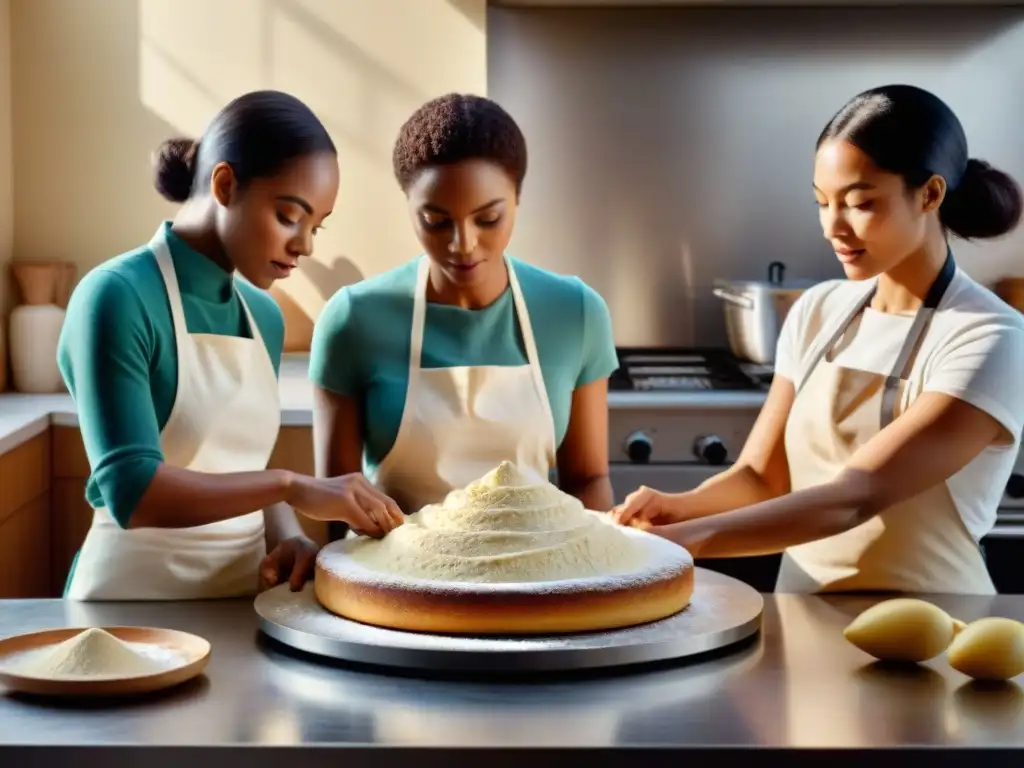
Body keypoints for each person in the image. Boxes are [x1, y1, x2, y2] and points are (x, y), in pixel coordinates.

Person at [613, 84, 1024, 594]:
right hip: (802, 623)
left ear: (930, 194)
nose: (834, 226)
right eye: (822, 202)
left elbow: (855, 495)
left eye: (860, 203)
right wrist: (677, 506)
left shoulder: (990, 337)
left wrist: (684, 542)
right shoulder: (817, 310)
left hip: (937, 634)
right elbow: (761, 477)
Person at [59, 90, 403, 601]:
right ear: (224, 184)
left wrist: (289, 537)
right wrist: (292, 486)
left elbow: (240, 470)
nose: (305, 245)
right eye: (290, 216)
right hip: (128, 607)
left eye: (316, 227)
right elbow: (133, 491)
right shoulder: (116, 295)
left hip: (243, 601)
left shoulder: (263, 315)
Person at [309, 93, 618, 536]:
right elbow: (340, 508)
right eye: (436, 221)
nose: (463, 244)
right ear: (409, 207)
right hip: (399, 584)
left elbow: (588, 479)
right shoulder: (354, 319)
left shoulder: (575, 312)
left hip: (538, 579)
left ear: (517, 198)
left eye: (488, 219)